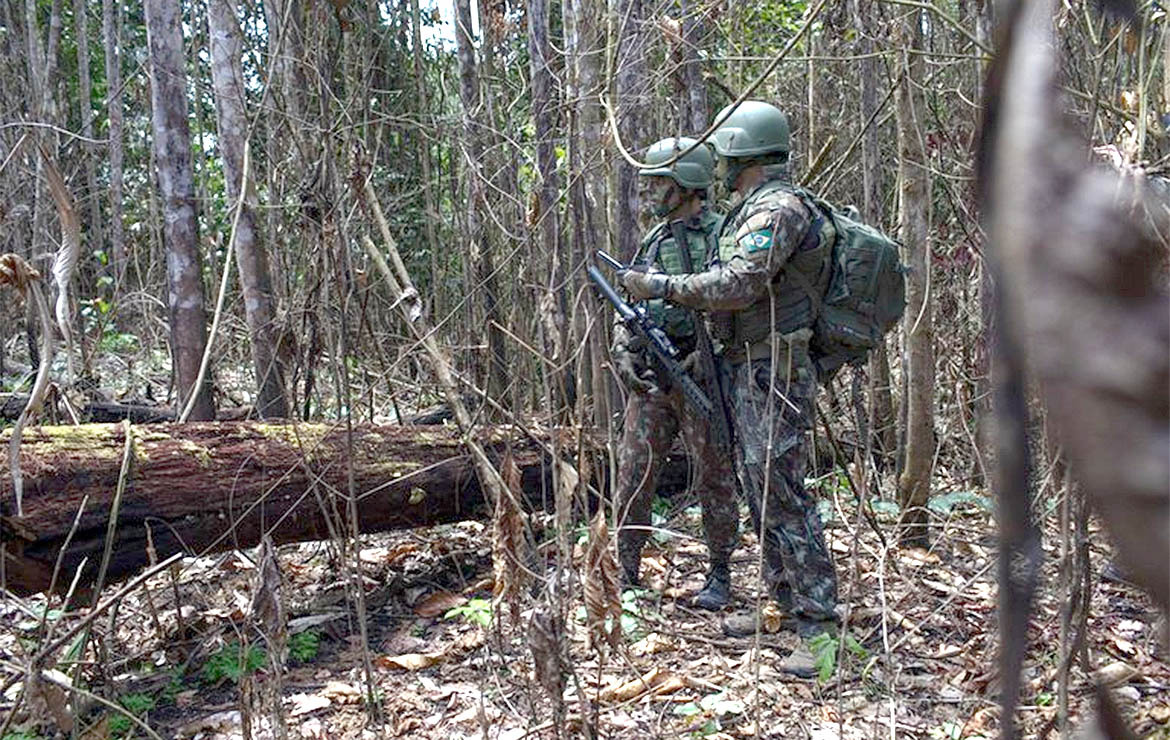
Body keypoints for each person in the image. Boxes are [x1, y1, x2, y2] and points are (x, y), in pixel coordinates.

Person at [620, 101, 839, 676]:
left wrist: (664, 287)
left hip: (776, 369)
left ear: (742, 149)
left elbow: (740, 283)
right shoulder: (754, 208)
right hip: (751, 368)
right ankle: (786, 604)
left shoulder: (780, 207)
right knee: (760, 485)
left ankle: (818, 629)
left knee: (783, 490)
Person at [611, 136, 738, 611]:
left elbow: (735, 298)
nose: (652, 191)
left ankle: (721, 572)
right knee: (634, 470)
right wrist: (623, 347)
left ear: (686, 184)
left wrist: (709, 358)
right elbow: (631, 301)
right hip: (652, 372)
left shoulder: (724, 234)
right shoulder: (656, 238)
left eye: (661, 180)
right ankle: (624, 571)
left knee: (715, 476)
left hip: (702, 376)